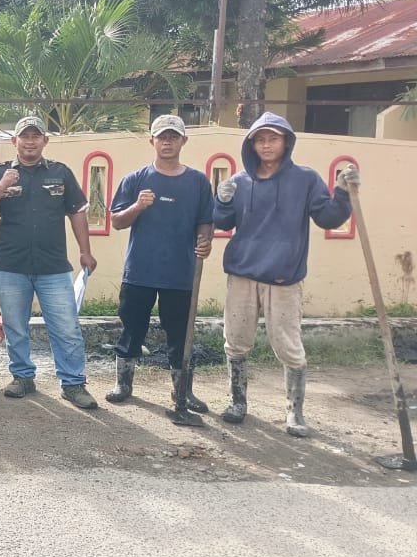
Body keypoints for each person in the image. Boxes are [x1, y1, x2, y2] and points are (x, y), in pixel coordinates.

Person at [214, 112, 354, 437]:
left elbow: (328, 217)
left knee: (288, 345)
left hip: (283, 277)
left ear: (286, 142)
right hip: (242, 273)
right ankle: (237, 403)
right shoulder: (240, 182)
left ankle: (294, 413)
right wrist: (221, 201)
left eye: (273, 138)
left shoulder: (305, 179)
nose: (266, 145)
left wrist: (342, 193)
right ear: (251, 145)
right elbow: (221, 223)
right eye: (260, 140)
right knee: (236, 341)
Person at [0, 115, 99, 409]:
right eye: (25, 136)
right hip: (12, 264)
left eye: (35, 136)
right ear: (14, 141)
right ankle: (22, 377)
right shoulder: (1, 172)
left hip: (53, 266)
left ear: (45, 140)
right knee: (15, 326)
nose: (30, 142)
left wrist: (85, 251)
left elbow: (77, 211)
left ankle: (73, 383)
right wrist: (2, 185)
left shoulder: (60, 172)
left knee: (66, 326)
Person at [106, 115, 213, 410]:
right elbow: (117, 221)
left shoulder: (198, 182)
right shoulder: (136, 179)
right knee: (132, 328)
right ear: (151, 140)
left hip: (180, 272)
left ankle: (182, 391)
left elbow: (205, 220)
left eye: (173, 137)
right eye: (162, 137)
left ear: (183, 141)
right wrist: (137, 206)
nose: (167, 142)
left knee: (180, 334)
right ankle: (123, 383)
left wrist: (205, 241)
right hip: (140, 271)